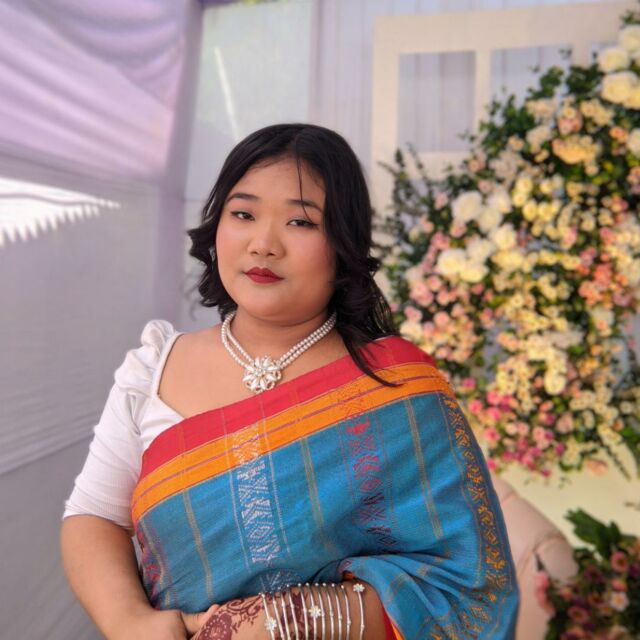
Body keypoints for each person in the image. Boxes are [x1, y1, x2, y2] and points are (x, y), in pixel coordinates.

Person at [61, 123, 519, 639]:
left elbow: (466, 583)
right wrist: (131, 621)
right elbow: (94, 517)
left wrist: (285, 621)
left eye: (301, 221)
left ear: (343, 243)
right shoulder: (153, 369)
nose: (263, 244)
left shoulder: (396, 389)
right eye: (243, 214)